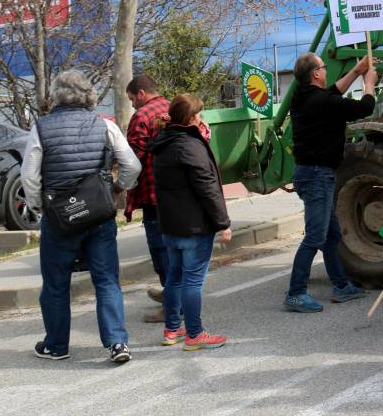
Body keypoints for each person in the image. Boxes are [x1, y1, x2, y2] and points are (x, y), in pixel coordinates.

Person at [21, 70, 141, 363]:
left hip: (60, 218)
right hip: (98, 214)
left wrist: (38, 205)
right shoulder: (104, 126)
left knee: (56, 283)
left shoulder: (42, 128)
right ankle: (117, 343)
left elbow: (29, 177)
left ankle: (56, 345)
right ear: (89, 95)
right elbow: (132, 166)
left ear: (56, 95)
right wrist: (117, 188)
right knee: (106, 280)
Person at [284, 52, 376, 312]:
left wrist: (357, 70)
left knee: (331, 234)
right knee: (315, 236)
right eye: (323, 67)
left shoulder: (303, 96)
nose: (326, 70)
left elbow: (334, 91)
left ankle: (341, 286)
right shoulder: (321, 102)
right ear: (315, 74)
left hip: (312, 174)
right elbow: (364, 108)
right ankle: (295, 293)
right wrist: (369, 82)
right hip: (317, 175)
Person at [150, 93, 231, 350]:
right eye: (200, 114)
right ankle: (195, 334)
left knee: (174, 278)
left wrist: (200, 138)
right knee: (193, 282)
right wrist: (223, 222)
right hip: (194, 226)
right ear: (192, 118)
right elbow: (207, 187)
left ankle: (172, 329)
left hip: (171, 225)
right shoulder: (190, 146)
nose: (202, 118)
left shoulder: (163, 141)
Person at [124, 73, 170, 320]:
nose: (132, 104)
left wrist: (121, 185)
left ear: (141, 94)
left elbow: (133, 160)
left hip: (153, 194)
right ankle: (172, 293)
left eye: (132, 99)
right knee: (174, 248)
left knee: (161, 249)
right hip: (176, 194)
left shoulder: (141, 116)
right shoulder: (173, 107)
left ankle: (172, 307)